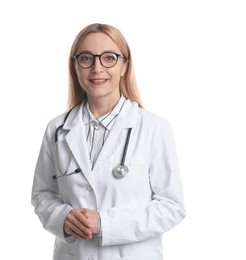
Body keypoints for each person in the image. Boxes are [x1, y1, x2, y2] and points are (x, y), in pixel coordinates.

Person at [31, 23, 186, 260]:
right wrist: (63, 218)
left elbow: (171, 207)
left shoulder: (154, 128)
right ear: (75, 66)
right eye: (86, 58)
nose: (97, 68)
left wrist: (105, 223)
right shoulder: (57, 129)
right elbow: (42, 195)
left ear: (125, 65)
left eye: (109, 58)